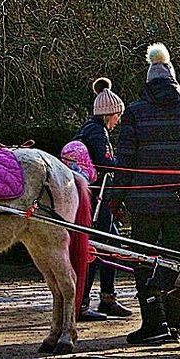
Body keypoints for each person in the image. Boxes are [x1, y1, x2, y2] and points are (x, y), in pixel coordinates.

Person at [117, 43, 180, 345]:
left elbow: (126, 161)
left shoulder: (134, 112)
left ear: (148, 82)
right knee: (175, 259)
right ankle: (173, 325)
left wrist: (116, 198)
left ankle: (152, 322)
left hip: (143, 202)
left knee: (143, 260)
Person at [71, 77, 133, 322]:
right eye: (118, 116)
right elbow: (104, 163)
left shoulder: (88, 128)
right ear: (110, 113)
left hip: (94, 196)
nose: (118, 121)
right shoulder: (98, 133)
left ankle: (107, 298)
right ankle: (84, 303)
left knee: (111, 245)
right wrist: (125, 165)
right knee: (97, 248)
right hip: (97, 199)